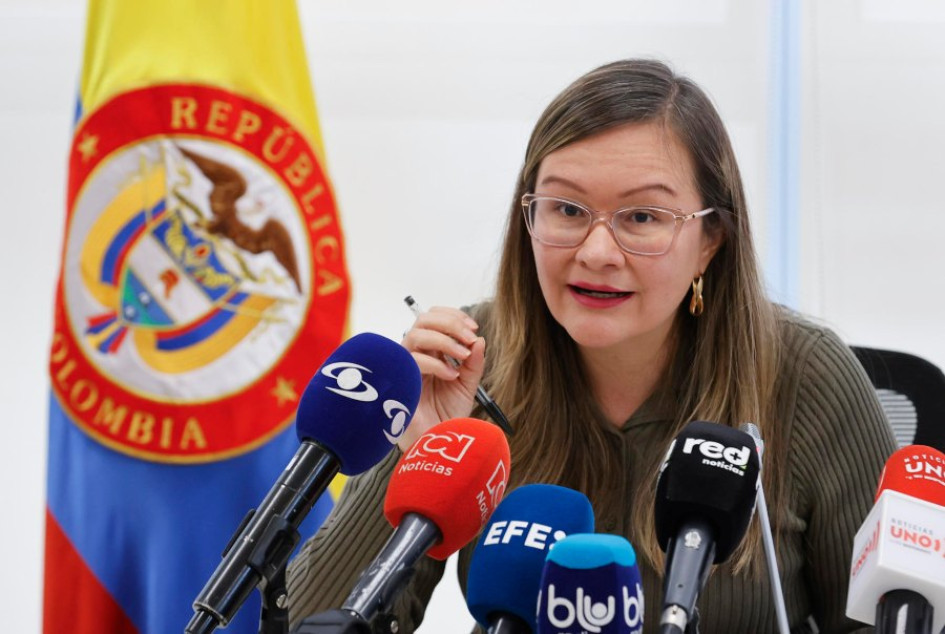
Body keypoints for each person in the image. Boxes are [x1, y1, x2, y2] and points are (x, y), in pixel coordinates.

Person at [286, 59, 896, 633]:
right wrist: (415, 451)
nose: (597, 252)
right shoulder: (466, 364)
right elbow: (311, 620)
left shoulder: (805, 374)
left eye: (642, 218)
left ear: (711, 238)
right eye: (567, 209)